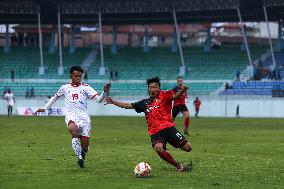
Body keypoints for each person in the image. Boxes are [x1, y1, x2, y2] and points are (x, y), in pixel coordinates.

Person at [105, 77, 192, 172]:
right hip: (155, 132)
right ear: (148, 89)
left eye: (155, 87)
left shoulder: (165, 95)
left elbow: (175, 96)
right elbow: (128, 105)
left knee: (188, 148)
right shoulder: (144, 103)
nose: (153, 89)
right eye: (151, 87)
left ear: (159, 88)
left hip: (168, 128)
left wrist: (182, 90)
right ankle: (178, 165)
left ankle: (175, 144)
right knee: (158, 148)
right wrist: (113, 102)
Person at [35, 66, 111, 168]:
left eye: (80, 76)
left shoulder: (86, 87)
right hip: (71, 116)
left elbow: (98, 100)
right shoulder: (65, 88)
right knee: (73, 131)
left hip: (84, 118)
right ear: (71, 75)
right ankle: (79, 157)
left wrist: (105, 92)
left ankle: (83, 152)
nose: (78, 78)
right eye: (76, 76)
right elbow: (54, 98)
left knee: (85, 147)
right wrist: (44, 108)